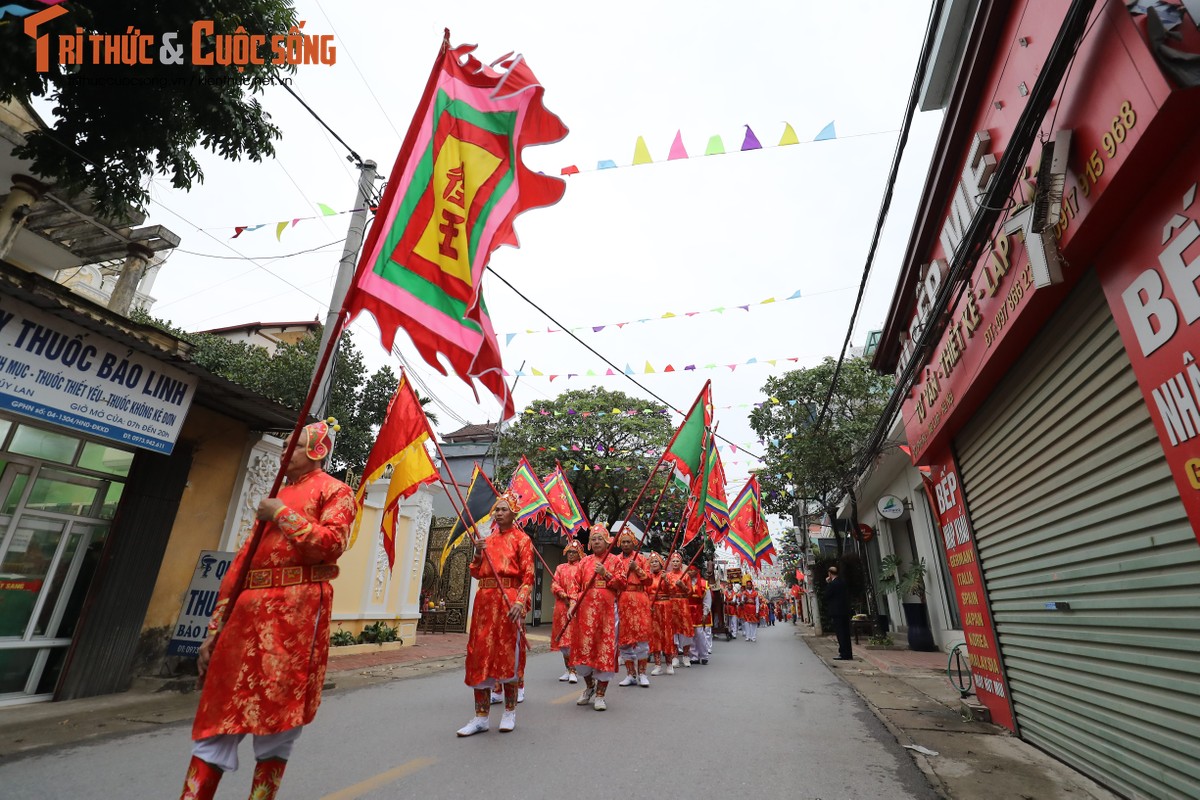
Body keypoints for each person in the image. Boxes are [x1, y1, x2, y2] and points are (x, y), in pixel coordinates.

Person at [180, 420, 356, 800]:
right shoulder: (275, 495)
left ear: (317, 451)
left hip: (294, 615)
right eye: (284, 445)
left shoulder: (335, 492)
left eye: (292, 447)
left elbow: (329, 544)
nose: (283, 452)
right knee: (217, 719)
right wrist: (215, 629)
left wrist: (280, 514)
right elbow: (242, 565)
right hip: (245, 617)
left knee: (278, 720)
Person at [457, 491, 535, 736]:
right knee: (479, 655)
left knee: (506, 655)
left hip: (508, 600)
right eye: (497, 510)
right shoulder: (487, 540)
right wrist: (478, 553)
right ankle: (480, 717)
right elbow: (476, 572)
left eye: (503, 509)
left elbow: (528, 577)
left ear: (514, 513)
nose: (498, 513)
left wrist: (520, 603)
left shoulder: (522, 540)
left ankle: (509, 712)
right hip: (484, 602)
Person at [570, 523, 627, 710]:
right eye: (593, 539)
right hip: (584, 613)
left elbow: (622, 583)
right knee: (583, 651)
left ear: (606, 541)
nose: (596, 542)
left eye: (599, 539)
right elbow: (574, 586)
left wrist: (606, 573)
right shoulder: (584, 562)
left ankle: (601, 695)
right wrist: (572, 604)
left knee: (604, 649)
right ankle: (589, 687)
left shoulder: (614, 561)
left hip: (607, 613)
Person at [614, 528, 653, 687]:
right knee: (624, 639)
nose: (625, 544)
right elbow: (613, 581)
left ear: (634, 542)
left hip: (639, 599)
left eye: (628, 541)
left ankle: (643, 674)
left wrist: (637, 568)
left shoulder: (642, 559)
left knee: (641, 637)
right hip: (623, 600)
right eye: (623, 542)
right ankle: (630, 674)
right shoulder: (616, 560)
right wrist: (624, 571)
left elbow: (649, 580)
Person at [552, 539, 584, 683]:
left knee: (573, 639)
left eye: (574, 552)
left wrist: (573, 599)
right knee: (563, 640)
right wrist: (562, 594)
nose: (571, 554)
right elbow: (554, 583)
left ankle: (574, 669)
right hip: (561, 606)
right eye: (569, 552)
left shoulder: (582, 567)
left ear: (579, 553)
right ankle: (568, 668)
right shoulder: (560, 567)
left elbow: (583, 586)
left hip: (577, 607)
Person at [646, 553, 675, 676]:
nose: (653, 564)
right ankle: (658, 664)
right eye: (652, 562)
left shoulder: (667, 575)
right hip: (653, 606)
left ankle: (669, 663)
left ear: (661, 563)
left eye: (656, 562)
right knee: (655, 635)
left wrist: (666, 580)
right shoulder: (648, 577)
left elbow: (672, 590)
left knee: (666, 634)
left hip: (665, 606)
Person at [664, 552, 694, 665]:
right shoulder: (667, 576)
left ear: (680, 563)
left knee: (685, 629)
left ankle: (686, 655)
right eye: (673, 561)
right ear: (670, 563)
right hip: (671, 604)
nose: (675, 563)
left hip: (683, 603)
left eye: (677, 561)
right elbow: (665, 591)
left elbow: (690, 592)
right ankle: (675, 655)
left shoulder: (685, 576)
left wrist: (683, 586)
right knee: (673, 630)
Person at [825, 565, 853, 660]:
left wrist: (828, 583)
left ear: (829, 573)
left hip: (837, 612)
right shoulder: (843, 582)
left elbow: (827, 596)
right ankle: (848, 653)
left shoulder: (832, 584)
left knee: (840, 633)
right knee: (846, 633)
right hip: (845, 611)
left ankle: (843, 654)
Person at [687, 565, 712, 665]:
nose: (689, 572)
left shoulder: (703, 583)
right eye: (688, 570)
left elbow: (707, 600)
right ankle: (694, 656)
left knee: (700, 634)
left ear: (696, 571)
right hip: (688, 610)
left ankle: (704, 655)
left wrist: (705, 612)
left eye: (692, 570)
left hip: (698, 611)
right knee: (690, 635)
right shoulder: (685, 582)